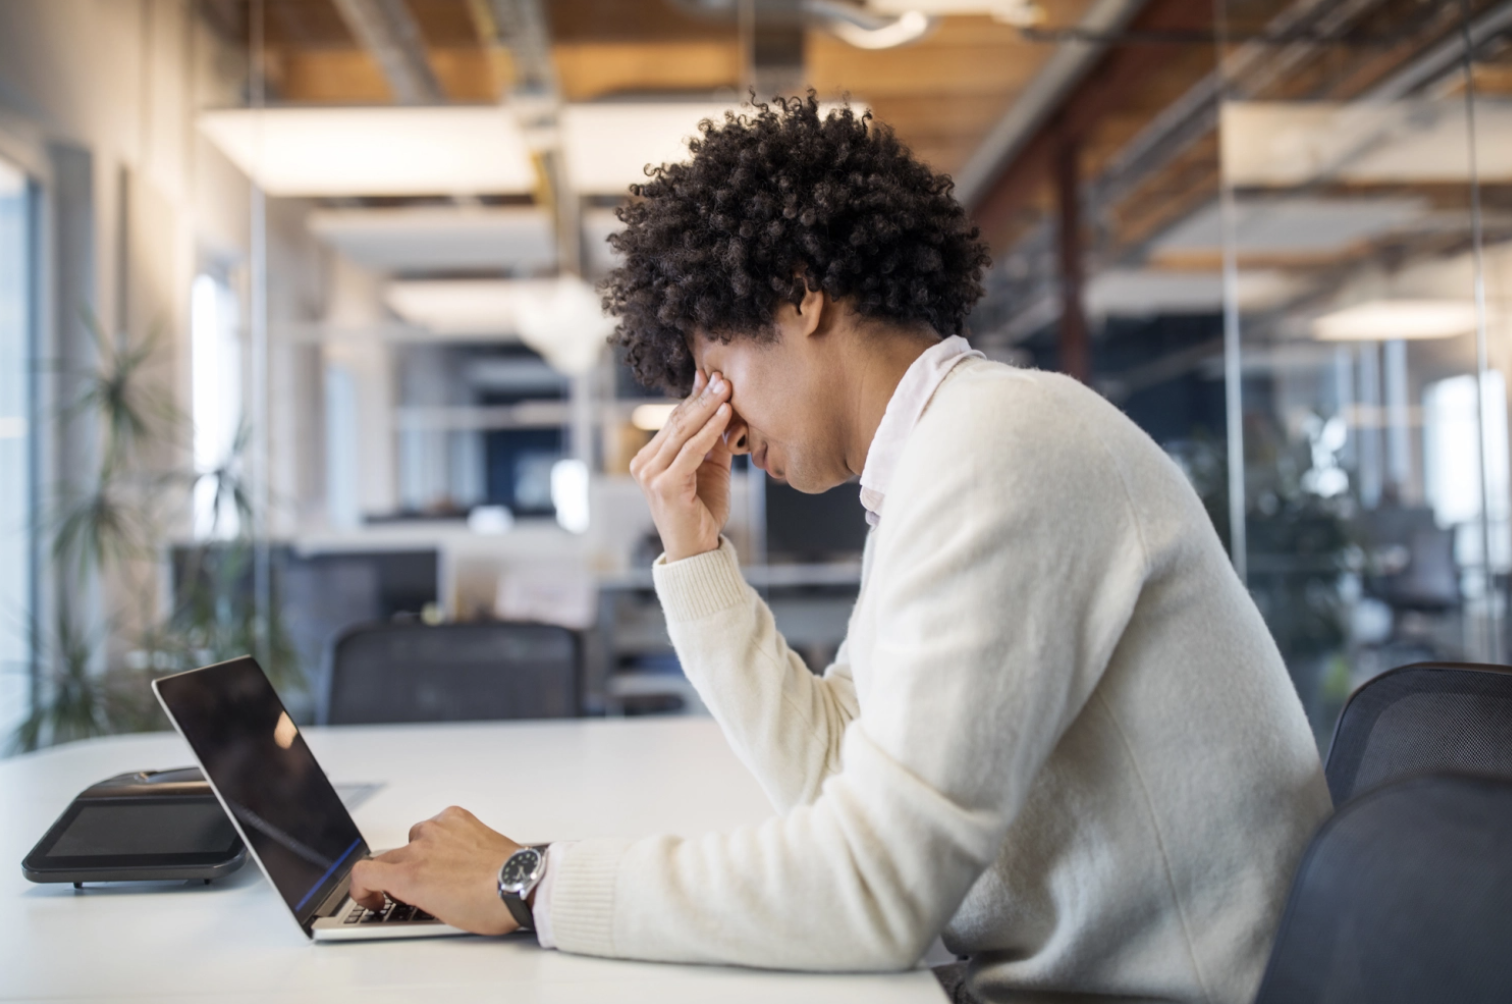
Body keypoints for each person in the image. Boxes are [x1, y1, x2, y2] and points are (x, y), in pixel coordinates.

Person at [350, 95, 1331, 1004]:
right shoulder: (942, 459)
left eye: (712, 367)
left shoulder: (1003, 447)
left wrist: (531, 881)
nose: (714, 419)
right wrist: (697, 557)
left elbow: (873, 891)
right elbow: (832, 773)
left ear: (801, 295)